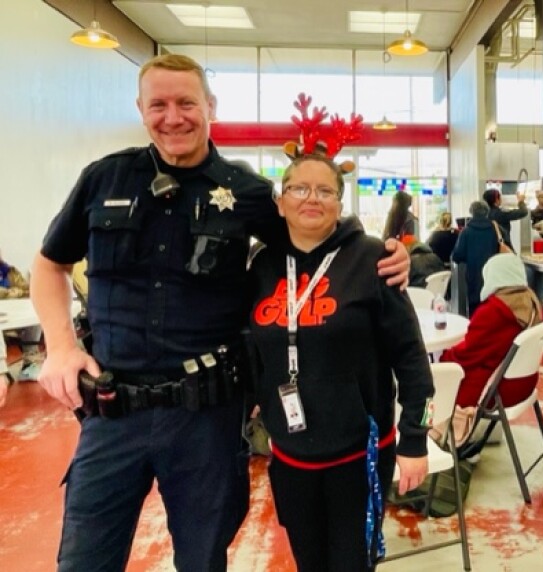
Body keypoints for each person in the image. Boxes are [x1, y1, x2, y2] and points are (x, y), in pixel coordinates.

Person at [30, 54, 410, 572]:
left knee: (203, 560)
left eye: (186, 102)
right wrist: (60, 347)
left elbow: (313, 242)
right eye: (158, 104)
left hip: (205, 419)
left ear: (210, 106)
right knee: (83, 561)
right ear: (140, 109)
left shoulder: (247, 192)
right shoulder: (105, 179)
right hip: (111, 413)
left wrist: (381, 254)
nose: (173, 117)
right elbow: (50, 265)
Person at [249, 153, 432, 570]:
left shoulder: (373, 258)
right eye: (298, 188)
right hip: (290, 453)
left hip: (359, 454)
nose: (311, 198)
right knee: (308, 560)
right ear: (280, 201)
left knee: (352, 563)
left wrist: (415, 438)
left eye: (325, 190)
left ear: (339, 202)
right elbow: (251, 348)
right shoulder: (261, 265)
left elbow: (411, 358)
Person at [440, 253, 543, 410]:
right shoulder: (532, 303)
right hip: (524, 382)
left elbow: (468, 355)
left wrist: (443, 357)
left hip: (495, 390)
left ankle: (426, 425)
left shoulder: (493, 311)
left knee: (431, 386)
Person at [452, 201, 500, 316]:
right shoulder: (495, 229)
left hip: (474, 275)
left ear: (472, 213)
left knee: (475, 308)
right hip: (493, 274)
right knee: (492, 304)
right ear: (487, 212)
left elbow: (457, 256)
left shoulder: (466, 231)